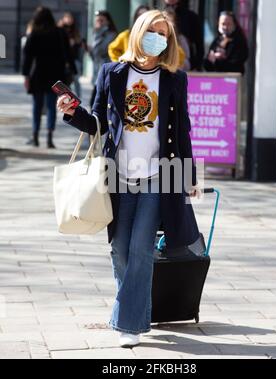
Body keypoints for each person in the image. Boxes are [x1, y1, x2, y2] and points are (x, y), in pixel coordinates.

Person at [57, 10, 201, 348]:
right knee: (120, 249)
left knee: (140, 248)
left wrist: (190, 175)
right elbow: (98, 124)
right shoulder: (113, 73)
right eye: (152, 30)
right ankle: (139, 310)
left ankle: (129, 324)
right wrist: (71, 112)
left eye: (164, 33)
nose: (158, 37)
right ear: (138, 31)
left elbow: (182, 131)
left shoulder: (174, 78)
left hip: (157, 175)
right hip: (118, 175)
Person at [22, 6, 76, 148]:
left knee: (37, 106)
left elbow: (27, 56)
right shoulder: (59, 33)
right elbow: (68, 54)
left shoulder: (34, 33)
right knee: (52, 105)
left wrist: (26, 75)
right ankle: (49, 137)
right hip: (56, 75)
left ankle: (35, 135)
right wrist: (73, 70)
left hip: (38, 74)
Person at [86, 10, 117, 108]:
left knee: (95, 103)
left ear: (108, 21)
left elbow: (101, 50)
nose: (99, 23)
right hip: (97, 71)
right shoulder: (96, 33)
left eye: (101, 20)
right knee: (97, 103)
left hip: (106, 71)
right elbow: (94, 54)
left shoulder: (111, 34)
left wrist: (98, 34)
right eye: (97, 20)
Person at [163, 0, 204, 70]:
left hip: (185, 68)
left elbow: (199, 46)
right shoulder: (157, 15)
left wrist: (196, 67)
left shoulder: (191, 17)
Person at [58, 12, 84, 98]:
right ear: (63, 19)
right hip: (62, 60)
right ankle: (64, 97)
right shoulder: (59, 30)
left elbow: (80, 43)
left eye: (70, 18)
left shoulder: (75, 30)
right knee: (64, 80)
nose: (69, 20)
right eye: (67, 18)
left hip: (74, 59)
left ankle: (78, 97)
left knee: (76, 79)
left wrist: (76, 42)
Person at [164, 5, 191, 71]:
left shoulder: (181, 39)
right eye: (166, 21)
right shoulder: (157, 38)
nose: (169, 25)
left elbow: (187, 62)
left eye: (171, 21)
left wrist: (179, 63)